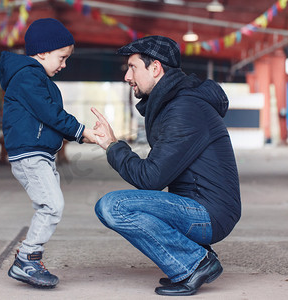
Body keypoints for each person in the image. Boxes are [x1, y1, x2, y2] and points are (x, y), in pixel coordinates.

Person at [91, 35, 241, 296]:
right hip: (201, 206)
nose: (128, 76)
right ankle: (196, 254)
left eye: (133, 67)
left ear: (156, 68)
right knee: (120, 205)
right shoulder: (175, 103)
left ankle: (195, 264)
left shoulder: (184, 108)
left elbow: (152, 178)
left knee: (112, 206)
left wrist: (113, 146)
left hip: (209, 213)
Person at [0, 18, 102, 289]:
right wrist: (82, 131)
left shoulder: (34, 77)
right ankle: (27, 259)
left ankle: (29, 256)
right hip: (31, 155)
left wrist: (81, 135)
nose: (64, 64)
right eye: (62, 57)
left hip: (40, 154)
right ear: (43, 52)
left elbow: (50, 119)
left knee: (50, 205)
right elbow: (49, 113)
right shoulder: (27, 77)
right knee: (52, 206)